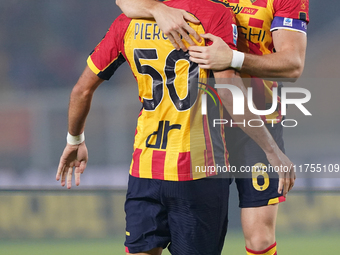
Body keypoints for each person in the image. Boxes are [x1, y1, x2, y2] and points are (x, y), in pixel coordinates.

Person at [57, 0, 294, 254]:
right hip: (198, 170)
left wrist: (75, 139)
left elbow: (81, 91)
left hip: (145, 169)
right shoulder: (214, 15)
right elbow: (229, 94)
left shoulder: (126, 23)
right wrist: (271, 150)